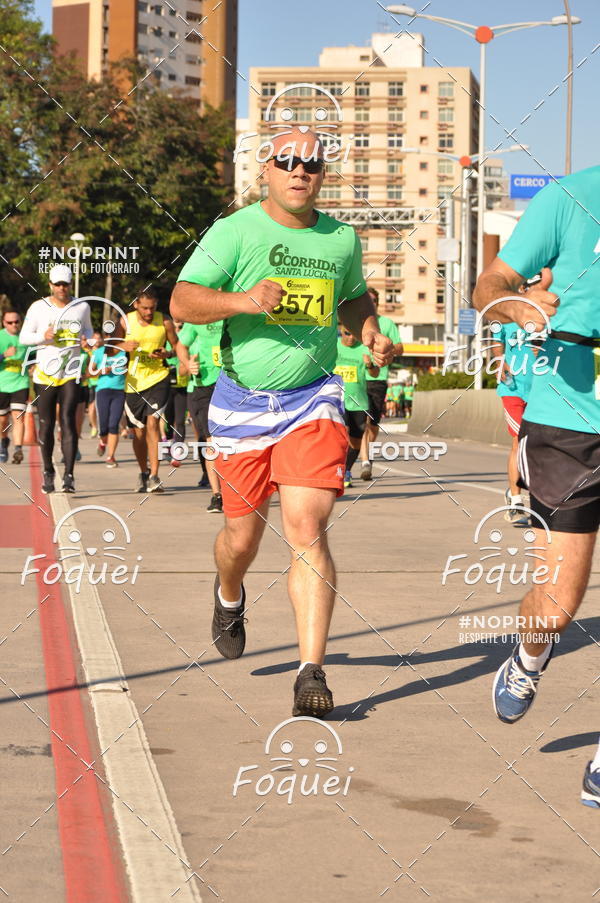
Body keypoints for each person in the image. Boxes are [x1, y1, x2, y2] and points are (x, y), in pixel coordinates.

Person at [170, 127, 394, 717]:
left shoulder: (341, 238)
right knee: (241, 539)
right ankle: (228, 593)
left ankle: (310, 673)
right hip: (242, 404)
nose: (301, 171)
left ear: (323, 175)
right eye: (288, 161)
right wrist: (245, 301)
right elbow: (183, 301)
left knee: (306, 529)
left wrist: (366, 328)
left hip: (313, 400)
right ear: (267, 170)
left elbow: (352, 297)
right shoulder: (236, 229)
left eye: (312, 164)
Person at [473, 165, 600, 807]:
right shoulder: (571, 195)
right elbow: (490, 284)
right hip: (570, 414)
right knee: (557, 602)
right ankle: (527, 659)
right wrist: (518, 303)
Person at [20, 264, 92, 493]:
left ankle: (69, 476)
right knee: (46, 424)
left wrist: (87, 341)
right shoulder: (38, 308)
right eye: (58, 284)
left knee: (68, 421)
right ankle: (49, 471)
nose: (62, 288)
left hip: (70, 371)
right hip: (45, 374)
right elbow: (23, 337)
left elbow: (89, 332)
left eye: (66, 284)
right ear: (50, 284)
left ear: (71, 284)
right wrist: (43, 336)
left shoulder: (81, 307)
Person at [117, 289, 178, 493]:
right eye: (145, 308)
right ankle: (143, 472)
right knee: (139, 433)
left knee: (153, 423)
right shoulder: (126, 321)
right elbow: (110, 347)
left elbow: (177, 346)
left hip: (159, 378)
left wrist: (167, 353)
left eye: (152, 308)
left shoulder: (165, 321)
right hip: (134, 382)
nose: (149, 312)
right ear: (136, 305)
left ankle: (154, 476)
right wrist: (122, 345)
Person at [489, 312, 537, 526]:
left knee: (538, 444)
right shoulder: (505, 315)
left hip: (541, 389)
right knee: (520, 440)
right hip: (512, 389)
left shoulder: (548, 316)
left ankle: (536, 498)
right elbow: (496, 342)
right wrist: (500, 361)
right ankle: (516, 502)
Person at [176, 318, 224, 512]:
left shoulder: (236, 312)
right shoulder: (198, 317)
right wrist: (188, 364)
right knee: (210, 440)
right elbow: (181, 345)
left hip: (234, 383)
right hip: (203, 386)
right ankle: (217, 495)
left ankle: (237, 489)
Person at [358, 286, 402, 480]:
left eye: (373, 301)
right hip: (356, 380)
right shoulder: (353, 322)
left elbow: (400, 346)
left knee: (373, 425)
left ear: (376, 303)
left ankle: (366, 451)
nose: (371, 304)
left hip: (378, 380)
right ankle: (365, 461)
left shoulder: (387, 323)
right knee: (362, 424)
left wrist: (390, 350)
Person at [334, 326, 379, 487]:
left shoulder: (363, 349)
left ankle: (346, 470)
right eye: (347, 333)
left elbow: (375, 373)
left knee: (357, 441)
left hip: (359, 402)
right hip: (336, 400)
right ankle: (332, 470)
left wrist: (369, 365)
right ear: (341, 330)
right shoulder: (333, 346)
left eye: (354, 334)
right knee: (342, 433)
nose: (351, 337)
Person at [91, 332, 127, 467]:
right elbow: (91, 372)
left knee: (114, 424)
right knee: (104, 426)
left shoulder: (124, 353)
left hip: (119, 391)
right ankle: (102, 442)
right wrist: (101, 371)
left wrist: (124, 369)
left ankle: (110, 457)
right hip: (103, 390)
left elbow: (131, 369)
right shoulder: (99, 352)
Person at [0, 309, 30, 464]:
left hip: (20, 382)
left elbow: (34, 355)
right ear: (4, 323)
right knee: (2, 420)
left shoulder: (25, 338)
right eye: (10, 322)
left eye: (16, 321)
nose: (14, 325)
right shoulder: (0, 337)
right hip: (2, 384)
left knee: (18, 416)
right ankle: (3, 442)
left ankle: (18, 449)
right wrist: (4, 355)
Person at [163, 319, 189, 468]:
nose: (178, 329)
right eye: (175, 327)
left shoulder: (187, 341)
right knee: (168, 421)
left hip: (182, 386)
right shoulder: (167, 342)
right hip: (166, 386)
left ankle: (177, 452)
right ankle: (166, 443)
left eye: (180, 327)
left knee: (179, 421)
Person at [87, 329, 103, 437]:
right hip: (92, 383)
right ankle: (94, 427)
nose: (97, 340)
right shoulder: (88, 353)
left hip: (103, 382)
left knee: (102, 407)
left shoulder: (105, 352)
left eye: (99, 338)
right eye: (94, 338)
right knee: (92, 407)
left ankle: (124, 428)